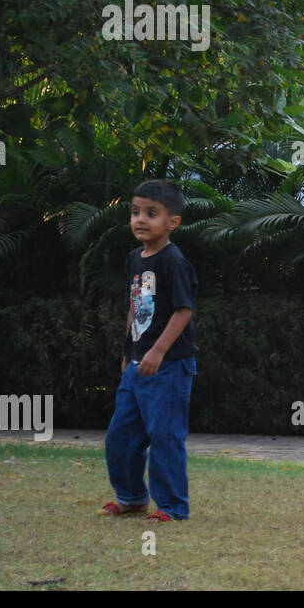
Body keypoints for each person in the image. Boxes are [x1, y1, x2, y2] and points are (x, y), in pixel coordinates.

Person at [102, 179, 199, 522]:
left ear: (173, 222)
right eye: (135, 212)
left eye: (151, 214)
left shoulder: (173, 261)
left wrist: (157, 352)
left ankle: (172, 506)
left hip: (169, 365)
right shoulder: (134, 259)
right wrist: (129, 350)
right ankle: (131, 497)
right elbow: (134, 306)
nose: (140, 220)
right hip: (137, 363)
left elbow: (183, 310)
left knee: (164, 437)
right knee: (120, 436)